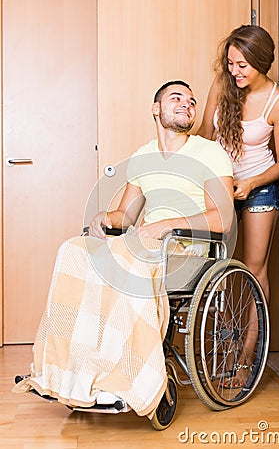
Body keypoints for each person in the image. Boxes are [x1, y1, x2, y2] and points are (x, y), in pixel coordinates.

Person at [14, 80, 234, 417]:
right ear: (155, 108)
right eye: (176, 98)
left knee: (128, 259)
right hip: (146, 244)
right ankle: (71, 374)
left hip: (188, 252)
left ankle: (130, 378)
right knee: (74, 251)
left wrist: (165, 226)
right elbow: (126, 216)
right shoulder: (144, 156)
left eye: (192, 101)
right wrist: (106, 216)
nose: (187, 104)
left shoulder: (209, 153)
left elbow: (221, 220)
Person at [198, 25, 279, 387]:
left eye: (243, 65)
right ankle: (219, 347)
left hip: (258, 191)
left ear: (262, 62)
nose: (235, 71)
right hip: (219, 188)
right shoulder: (223, 87)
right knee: (213, 268)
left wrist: (250, 182)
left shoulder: (277, 102)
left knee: (255, 270)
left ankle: (246, 359)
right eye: (231, 63)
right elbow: (206, 135)